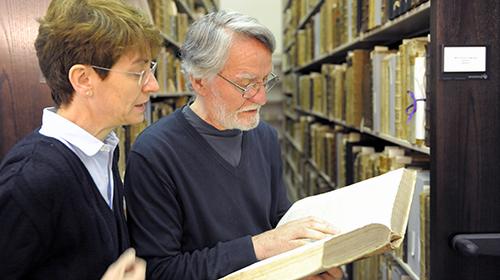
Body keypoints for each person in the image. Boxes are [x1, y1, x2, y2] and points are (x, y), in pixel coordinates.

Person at [124, 11, 343, 280]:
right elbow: (161, 271)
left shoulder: (265, 137)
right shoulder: (154, 154)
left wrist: (308, 265)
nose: (261, 97)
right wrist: (260, 246)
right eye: (246, 84)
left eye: (265, 81)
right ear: (199, 81)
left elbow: (278, 220)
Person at [0, 0, 163, 278]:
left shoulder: (103, 151)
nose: (153, 85)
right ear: (84, 79)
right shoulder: (28, 181)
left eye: (152, 68)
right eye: (138, 72)